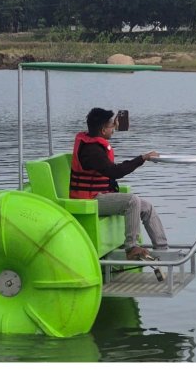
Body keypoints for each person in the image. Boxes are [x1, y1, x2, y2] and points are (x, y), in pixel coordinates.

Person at [69, 107, 168, 271]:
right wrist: (142, 158)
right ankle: (132, 247)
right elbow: (115, 172)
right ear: (102, 129)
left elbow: (110, 168)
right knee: (132, 201)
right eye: (111, 127)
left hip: (101, 195)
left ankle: (163, 250)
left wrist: (114, 122)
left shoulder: (94, 141)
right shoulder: (91, 151)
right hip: (90, 200)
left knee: (147, 207)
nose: (113, 130)